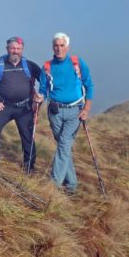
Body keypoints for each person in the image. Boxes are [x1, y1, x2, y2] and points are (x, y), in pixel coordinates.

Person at [37, 32, 94, 194]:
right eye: (56, 45)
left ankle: (53, 186)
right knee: (64, 147)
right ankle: (72, 185)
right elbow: (43, 90)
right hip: (54, 112)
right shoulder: (47, 66)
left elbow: (90, 86)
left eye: (62, 45)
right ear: (52, 47)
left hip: (75, 112)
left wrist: (86, 110)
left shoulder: (77, 63)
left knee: (63, 143)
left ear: (67, 47)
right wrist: (39, 97)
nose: (59, 48)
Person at [0, 36, 43, 173]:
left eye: (18, 48)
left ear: (22, 49)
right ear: (7, 49)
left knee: (28, 136)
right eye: (12, 48)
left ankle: (29, 167)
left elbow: (44, 81)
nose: (15, 51)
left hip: (25, 107)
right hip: (5, 106)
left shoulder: (29, 65)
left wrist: (40, 96)